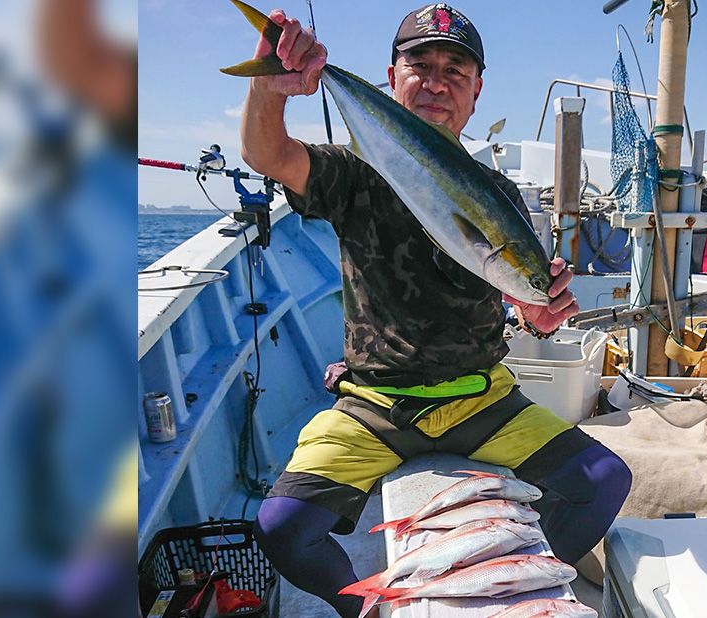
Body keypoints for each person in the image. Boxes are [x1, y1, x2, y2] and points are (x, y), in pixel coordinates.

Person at [240, 5, 632, 617]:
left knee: (604, 482)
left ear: (477, 91)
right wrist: (269, 89)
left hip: (481, 395)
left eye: (456, 69)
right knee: (283, 526)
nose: (437, 81)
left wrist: (538, 313)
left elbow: (516, 293)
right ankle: (368, 609)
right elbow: (270, 154)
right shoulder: (354, 174)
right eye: (419, 65)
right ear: (391, 78)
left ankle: (505, 579)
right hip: (376, 401)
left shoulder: (498, 192)